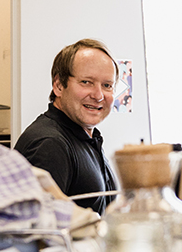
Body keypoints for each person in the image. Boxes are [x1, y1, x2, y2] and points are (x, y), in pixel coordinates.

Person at [15, 38, 118, 215]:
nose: (99, 95)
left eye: (107, 85)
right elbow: (41, 231)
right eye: (86, 82)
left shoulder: (86, 137)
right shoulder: (49, 144)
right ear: (58, 86)